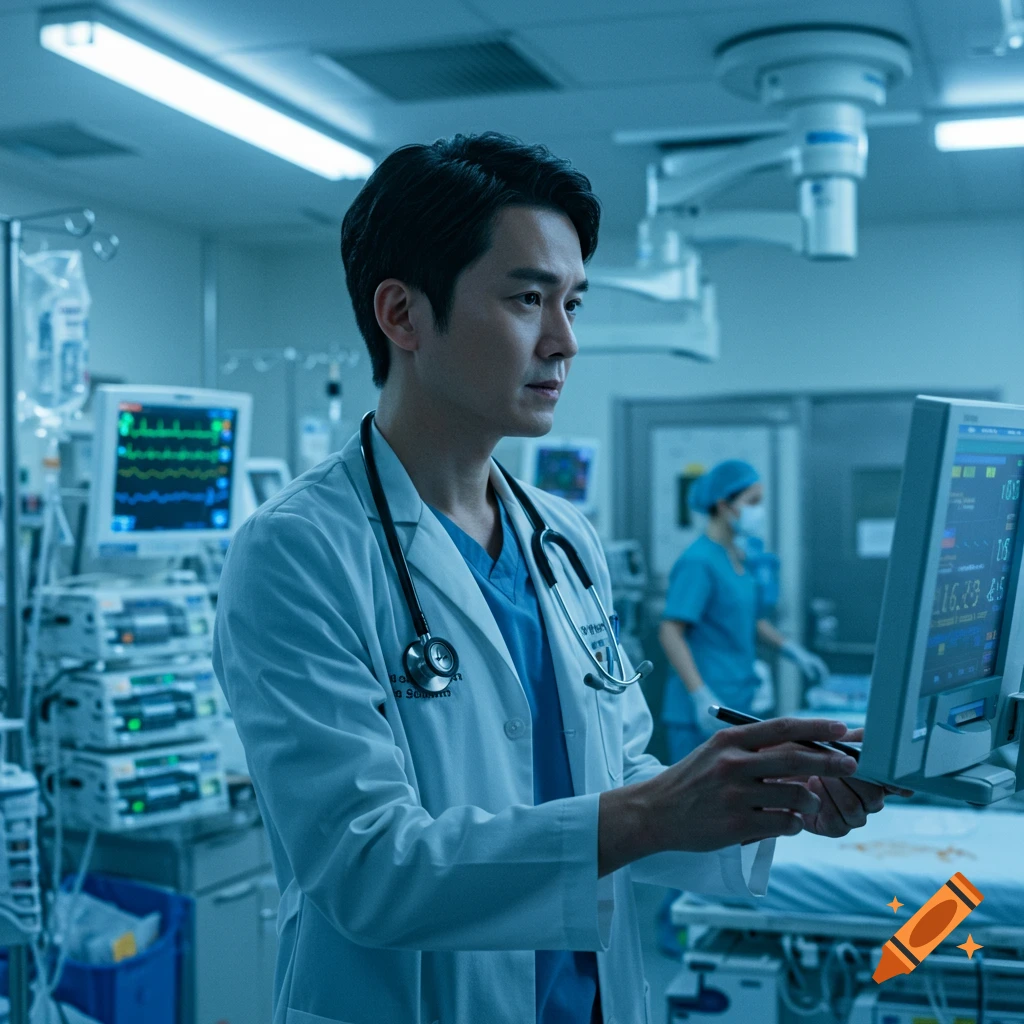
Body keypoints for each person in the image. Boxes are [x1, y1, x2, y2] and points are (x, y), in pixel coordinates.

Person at [213, 133, 893, 1024]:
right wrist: (650, 811)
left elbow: (620, 774)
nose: (565, 341)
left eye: (572, 303)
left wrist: (765, 798)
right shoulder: (299, 551)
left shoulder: (563, 539)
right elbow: (367, 867)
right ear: (403, 315)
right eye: (528, 298)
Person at [659, 459, 831, 764]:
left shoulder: (736, 556)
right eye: (752, 502)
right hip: (702, 710)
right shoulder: (698, 561)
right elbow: (670, 631)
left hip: (737, 700)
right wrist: (700, 695)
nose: (758, 511)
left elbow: (750, 620)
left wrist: (792, 651)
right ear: (724, 506)